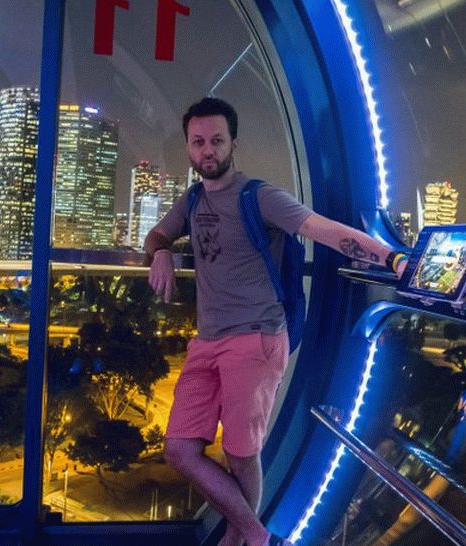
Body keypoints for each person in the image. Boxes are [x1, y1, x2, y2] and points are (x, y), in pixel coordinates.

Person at [145, 97, 407, 546]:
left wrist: (393, 257)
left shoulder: (258, 197)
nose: (208, 151)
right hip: (206, 341)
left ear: (233, 145)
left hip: (256, 339)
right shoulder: (191, 200)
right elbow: (156, 234)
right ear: (189, 148)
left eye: (217, 141)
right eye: (199, 142)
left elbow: (326, 231)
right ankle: (254, 533)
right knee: (179, 449)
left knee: (241, 454)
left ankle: (241, 537)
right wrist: (161, 252)